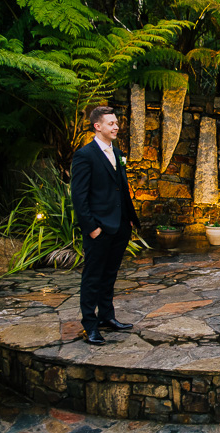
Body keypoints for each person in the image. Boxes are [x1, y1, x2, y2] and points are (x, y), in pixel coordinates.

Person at [71, 106, 141, 345]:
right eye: (111, 123)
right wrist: (92, 228)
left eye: (117, 123)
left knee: (110, 275)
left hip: (120, 226)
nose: (116, 126)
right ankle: (90, 325)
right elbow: (79, 197)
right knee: (93, 277)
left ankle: (107, 317)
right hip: (99, 228)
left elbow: (121, 188)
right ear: (97, 126)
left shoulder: (118, 152)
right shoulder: (85, 155)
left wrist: (129, 220)